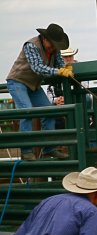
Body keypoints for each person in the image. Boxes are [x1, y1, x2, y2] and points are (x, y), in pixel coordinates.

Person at [6, 23, 73, 161]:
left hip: (33, 85)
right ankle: (26, 150)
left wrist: (66, 68)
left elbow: (60, 63)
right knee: (27, 111)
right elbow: (38, 68)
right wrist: (59, 71)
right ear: (45, 39)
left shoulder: (54, 49)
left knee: (49, 111)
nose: (54, 48)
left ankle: (49, 148)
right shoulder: (31, 45)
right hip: (18, 82)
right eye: (53, 44)